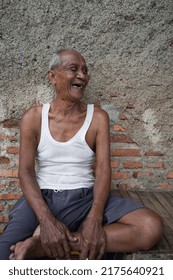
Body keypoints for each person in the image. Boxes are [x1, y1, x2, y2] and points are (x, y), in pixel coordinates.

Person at [0, 49, 163, 260]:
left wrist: (94, 218)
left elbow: (104, 169)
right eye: (73, 69)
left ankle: (42, 246)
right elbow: (25, 171)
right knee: (6, 255)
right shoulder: (33, 117)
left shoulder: (98, 118)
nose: (83, 76)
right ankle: (55, 240)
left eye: (85, 70)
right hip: (42, 198)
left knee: (151, 227)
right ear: (52, 76)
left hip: (85, 198)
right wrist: (46, 220)